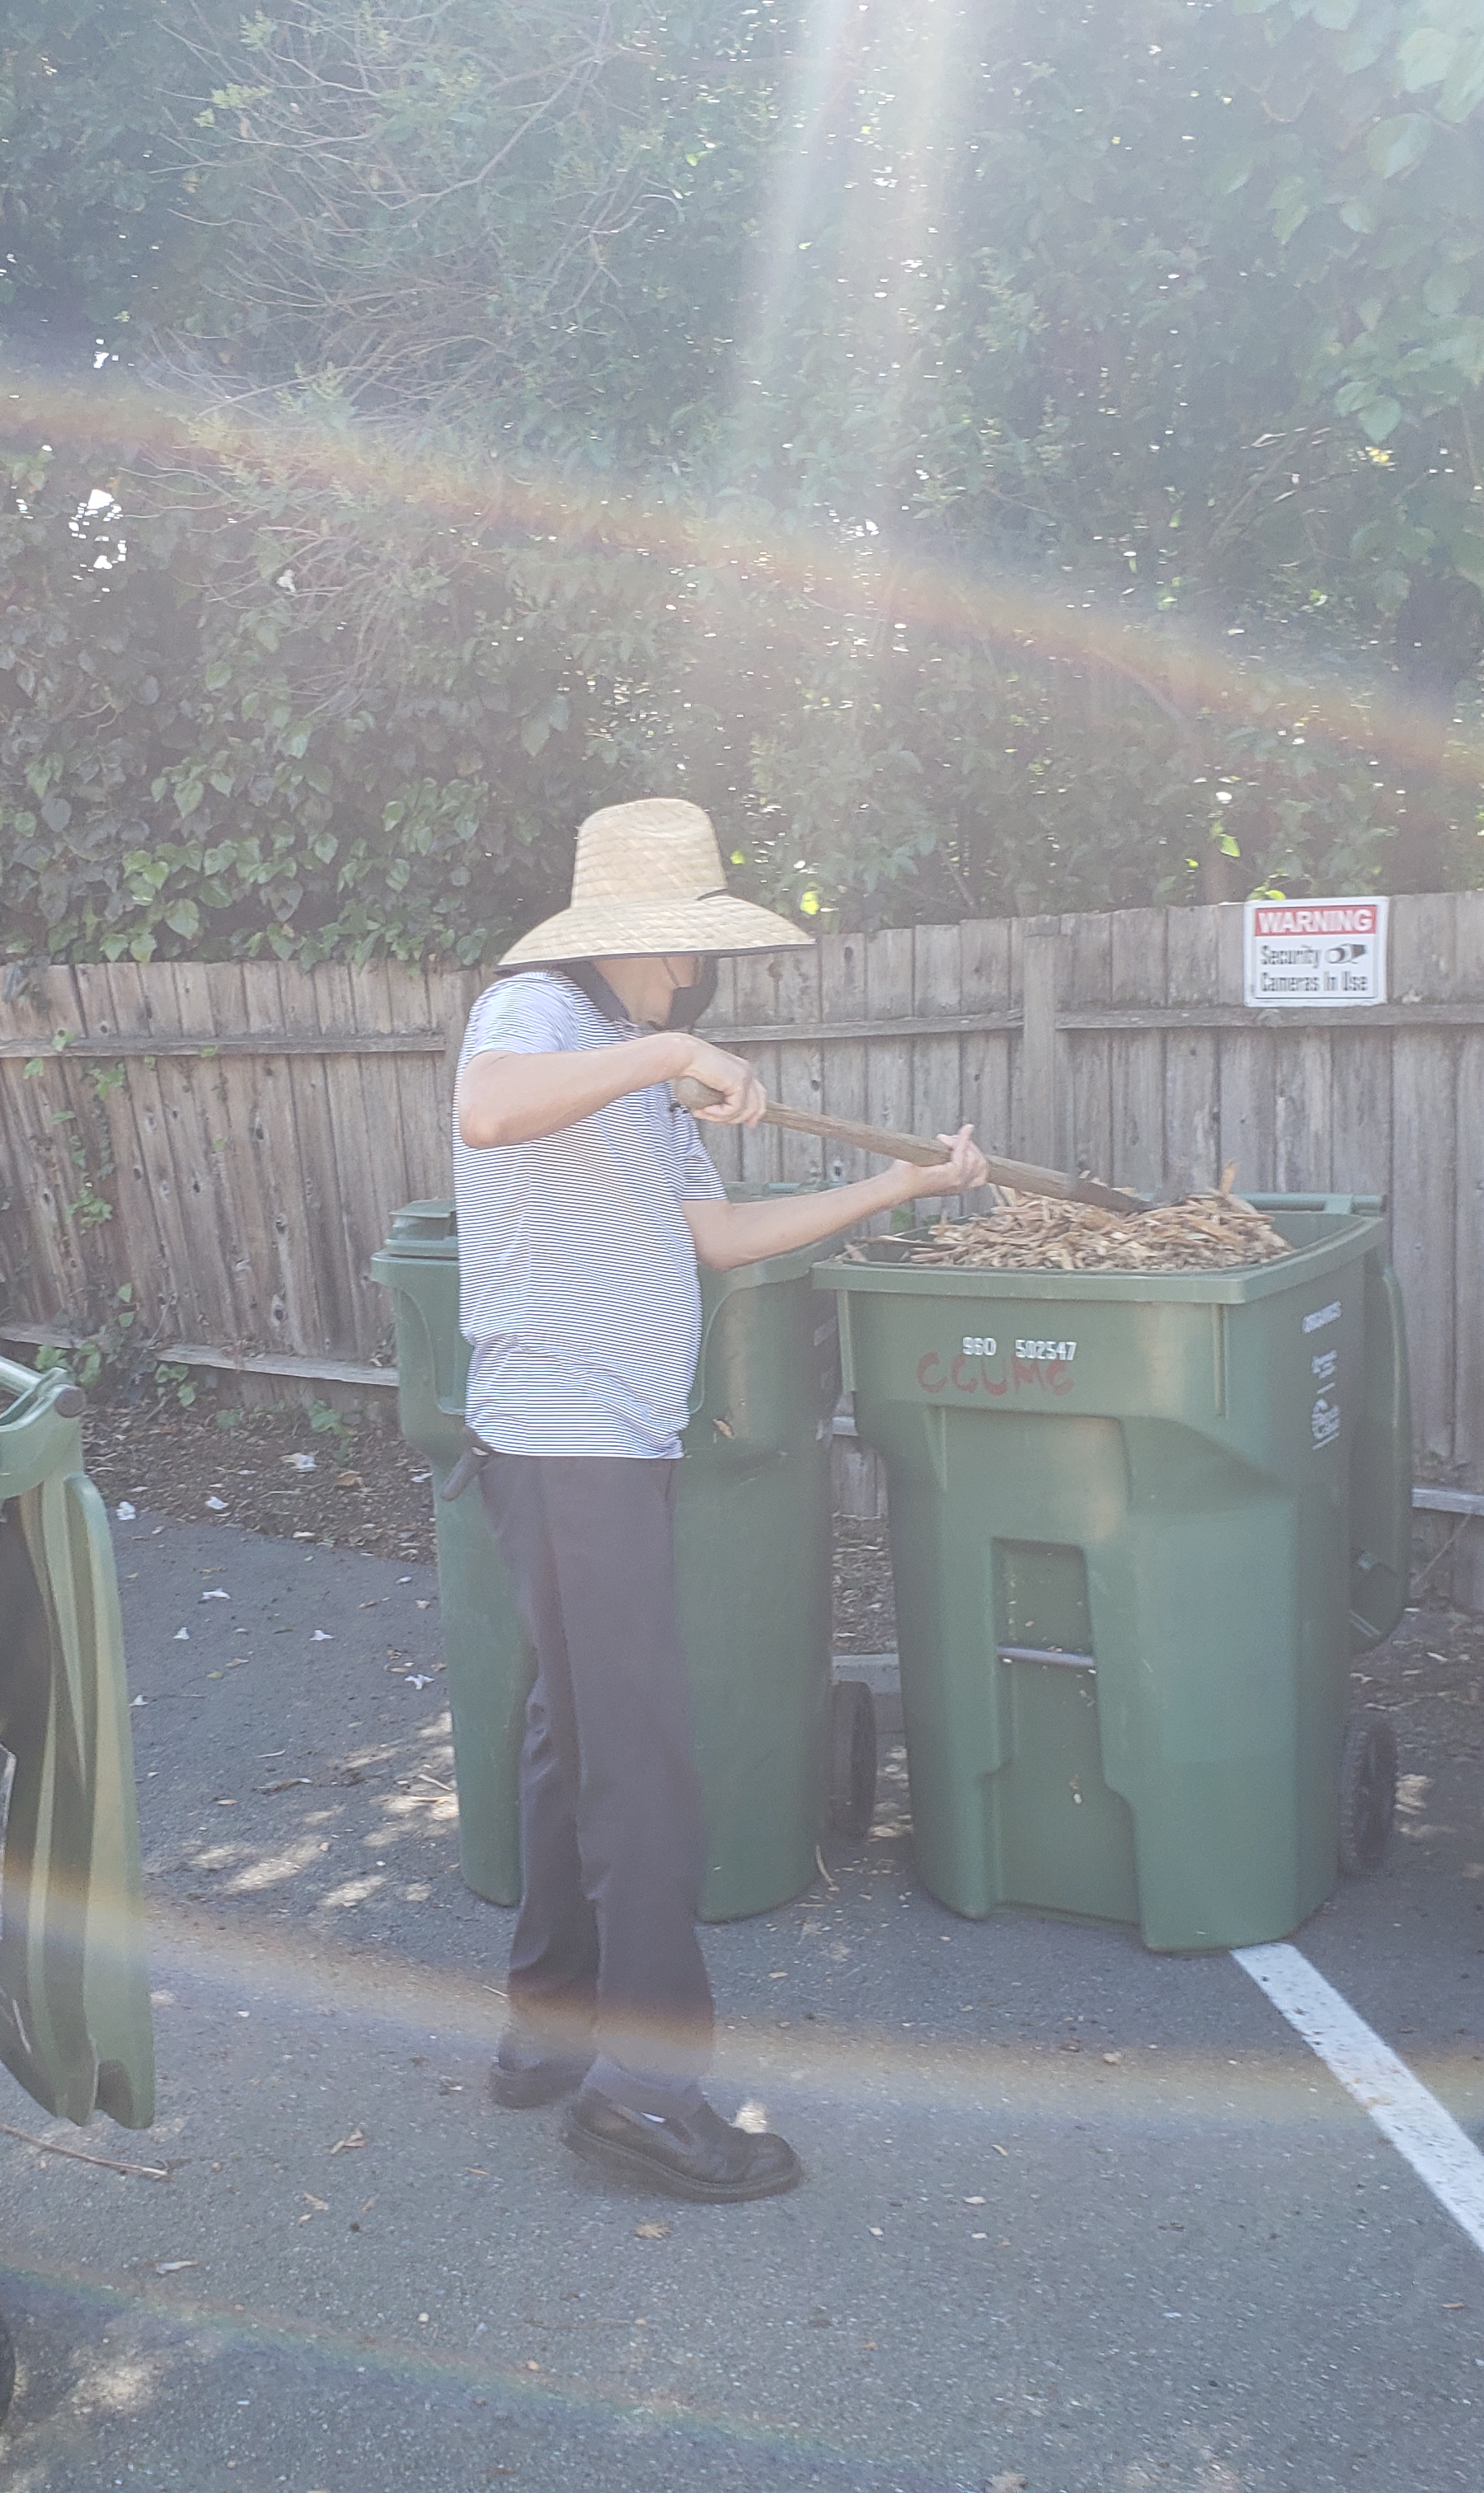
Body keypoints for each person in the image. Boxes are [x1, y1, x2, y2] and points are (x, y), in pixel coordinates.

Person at [453, 796, 989, 2203]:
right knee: (640, 1765)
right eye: (679, 951)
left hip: (599, 1445)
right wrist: (675, 1053)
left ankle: (548, 2028)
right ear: (625, 941)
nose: (694, 976)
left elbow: (721, 1237)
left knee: (575, 1739)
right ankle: (643, 2095)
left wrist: (896, 1186)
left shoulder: (634, 1080)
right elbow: (487, 1112)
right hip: (568, 1442)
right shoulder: (533, 1014)